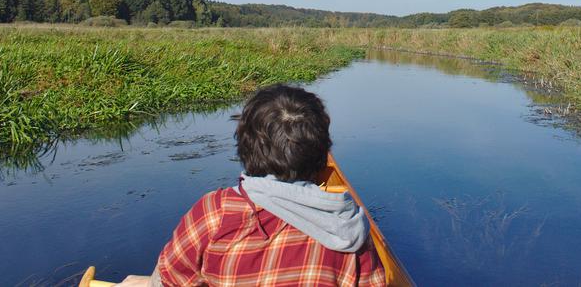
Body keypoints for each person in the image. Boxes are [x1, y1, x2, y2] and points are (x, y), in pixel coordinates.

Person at [116, 84, 386, 287]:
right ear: (320, 154)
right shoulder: (349, 228)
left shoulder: (215, 213)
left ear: (245, 148)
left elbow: (166, 282)